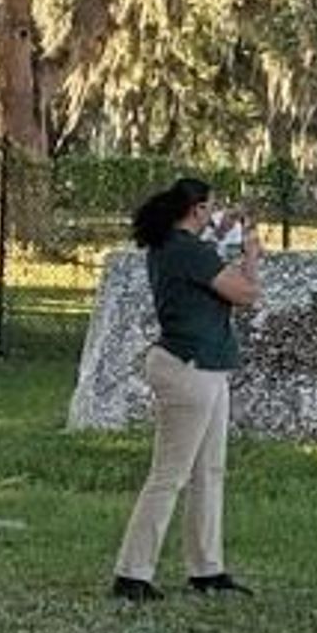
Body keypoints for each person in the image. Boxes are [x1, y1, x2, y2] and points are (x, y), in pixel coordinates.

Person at [113, 175, 261, 603]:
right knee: (170, 475)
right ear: (195, 210)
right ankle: (132, 573)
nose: (214, 216)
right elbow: (246, 294)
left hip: (204, 366)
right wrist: (251, 255)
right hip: (190, 368)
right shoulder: (188, 252)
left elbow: (204, 258)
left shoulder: (171, 246)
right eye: (210, 210)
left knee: (208, 472)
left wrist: (221, 230)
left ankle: (207, 568)